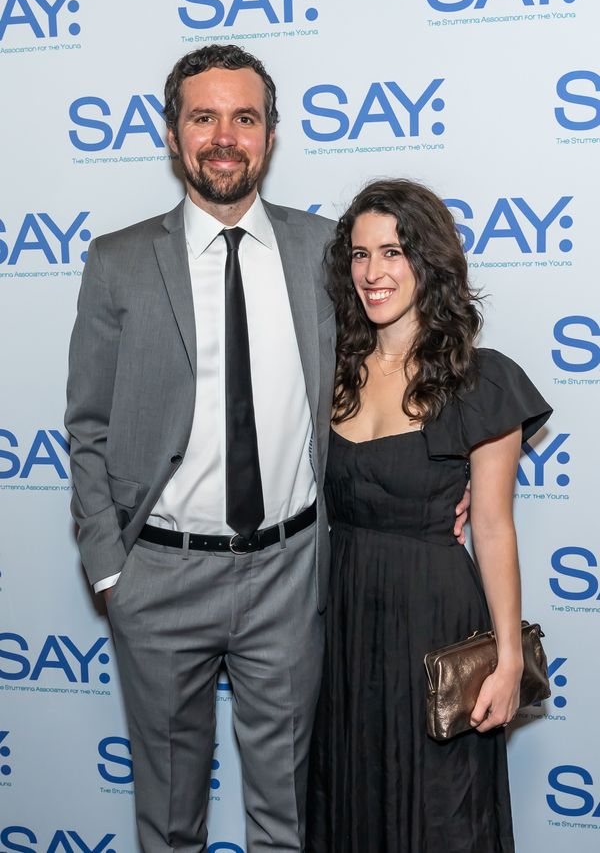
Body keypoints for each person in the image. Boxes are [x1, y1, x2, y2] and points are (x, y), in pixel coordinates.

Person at [64, 44, 338, 853]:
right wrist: (112, 572)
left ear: (271, 134)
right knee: (170, 823)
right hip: (159, 579)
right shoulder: (118, 261)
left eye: (244, 118)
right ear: (173, 132)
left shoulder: (324, 251)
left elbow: (381, 383)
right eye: (204, 117)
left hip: (289, 575)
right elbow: (88, 426)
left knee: (287, 818)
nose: (225, 136)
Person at [306, 179, 552, 853]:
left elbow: (495, 527)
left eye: (393, 251)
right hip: (343, 618)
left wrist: (506, 661)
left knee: (438, 812)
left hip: (432, 620)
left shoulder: (478, 380)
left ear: (428, 259)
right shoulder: (330, 369)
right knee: (346, 795)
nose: (374, 272)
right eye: (359, 255)